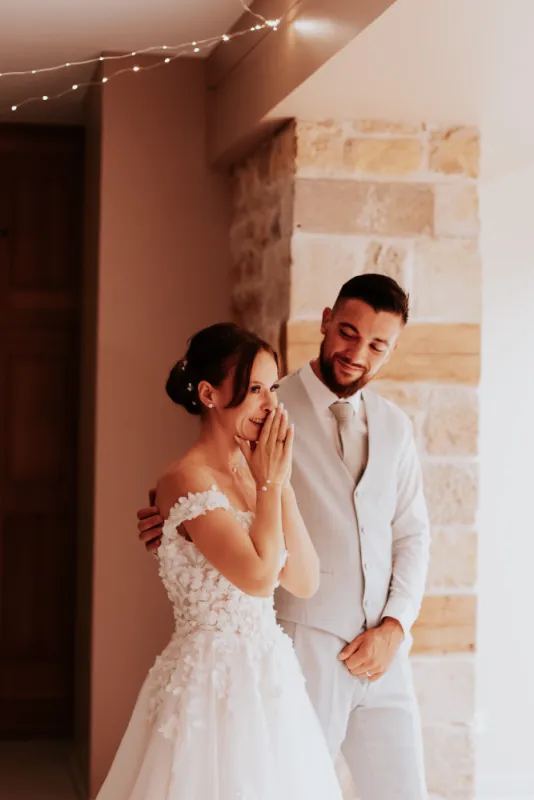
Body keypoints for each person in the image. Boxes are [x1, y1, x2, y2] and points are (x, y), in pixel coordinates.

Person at [139, 274, 431, 800]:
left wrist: (395, 625)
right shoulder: (264, 407)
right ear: (325, 321)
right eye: (347, 332)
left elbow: (412, 534)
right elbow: (207, 491)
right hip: (299, 644)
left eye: (377, 344)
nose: (357, 352)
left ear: (392, 350)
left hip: (385, 652)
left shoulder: (394, 426)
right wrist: (172, 517)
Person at [97, 323, 343, 800]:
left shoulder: (257, 479)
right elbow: (257, 577)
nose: (270, 405)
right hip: (209, 682)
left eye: (273, 388)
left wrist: (278, 483)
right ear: (208, 394)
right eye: (254, 389)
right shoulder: (185, 479)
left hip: (269, 679)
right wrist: (269, 486)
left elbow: (306, 580)